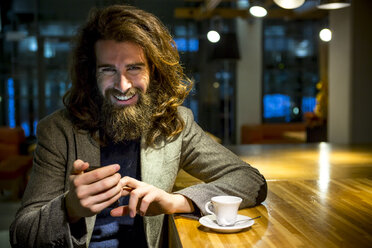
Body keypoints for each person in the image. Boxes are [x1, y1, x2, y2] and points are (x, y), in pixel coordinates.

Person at [10, 4, 267, 248]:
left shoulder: (175, 123)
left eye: (134, 68)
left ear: (154, 71)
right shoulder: (58, 131)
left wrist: (177, 201)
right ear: (91, 74)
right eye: (108, 70)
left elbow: (250, 181)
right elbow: (22, 235)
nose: (123, 86)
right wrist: (70, 209)